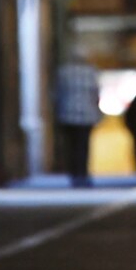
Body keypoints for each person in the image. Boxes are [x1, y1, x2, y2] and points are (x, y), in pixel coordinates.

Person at [55, 46, 102, 187]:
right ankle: (83, 173)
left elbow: (57, 94)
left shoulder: (63, 73)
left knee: (70, 146)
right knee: (84, 146)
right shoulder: (91, 72)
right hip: (87, 115)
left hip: (67, 115)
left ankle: (74, 173)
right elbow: (96, 94)